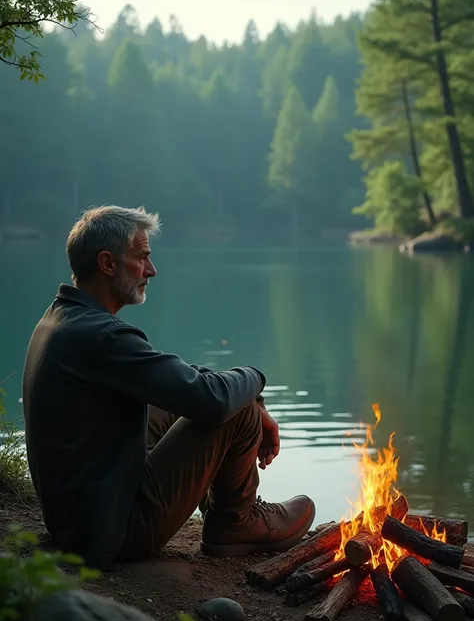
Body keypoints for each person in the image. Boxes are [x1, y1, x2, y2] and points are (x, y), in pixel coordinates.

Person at [22, 205, 315, 570]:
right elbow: (212, 399)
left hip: (80, 519)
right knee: (231, 408)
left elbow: (179, 380)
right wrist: (256, 378)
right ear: (108, 264)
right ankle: (235, 522)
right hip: (114, 533)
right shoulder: (102, 336)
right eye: (142, 257)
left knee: (196, 398)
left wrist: (249, 394)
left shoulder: (63, 318)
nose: (151, 270)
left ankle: (225, 504)